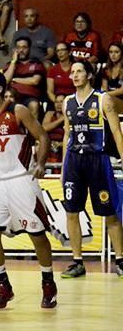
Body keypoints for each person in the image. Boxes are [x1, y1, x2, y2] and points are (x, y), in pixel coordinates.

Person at [0, 69, 56, 310]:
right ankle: (3, 285)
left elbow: (42, 137)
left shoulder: (17, 111)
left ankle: (48, 282)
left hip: (20, 180)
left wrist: (40, 163)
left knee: (37, 235)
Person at [60, 60, 123, 279]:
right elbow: (67, 134)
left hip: (98, 160)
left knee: (110, 213)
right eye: (72, 72)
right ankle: (77, 262)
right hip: (74, 162)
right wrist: (62, 166)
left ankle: (120, 260)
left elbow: (116, 131)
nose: (74, 75)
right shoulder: (67, 102)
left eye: (79, 71)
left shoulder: (103, 99)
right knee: (71, 212)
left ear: (88, 75)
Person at [4, 37, 46, 120]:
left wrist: (14, 79)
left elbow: (35, 81)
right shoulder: (10, 65)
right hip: (13, 97)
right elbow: (5, 80)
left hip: (29, 97)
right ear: (15, 49)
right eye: (18, 47)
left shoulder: (36, 63)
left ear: (29, 48)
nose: (21, 50)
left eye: (24, 47)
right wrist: (13, 61)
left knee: (34, 105)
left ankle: (32, 132)